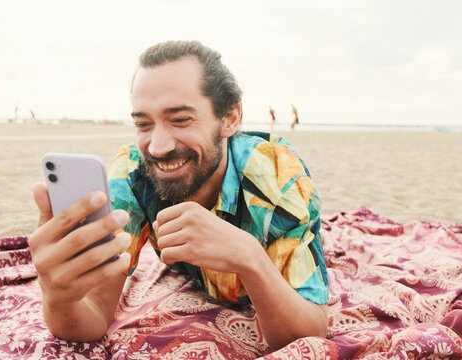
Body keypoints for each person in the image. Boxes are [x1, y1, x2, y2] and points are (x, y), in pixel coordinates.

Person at [28, 40, 329, 350]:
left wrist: (250, 258)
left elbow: (310, 334)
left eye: (181, 119)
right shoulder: (133, 174)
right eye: (143, 124)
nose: (157, 147)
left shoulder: (275, 176)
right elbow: (93, 317)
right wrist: (57, 299)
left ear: (229, 118)